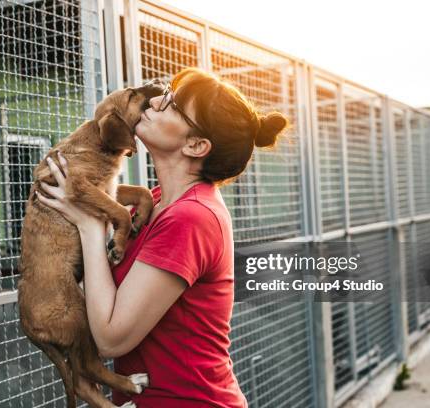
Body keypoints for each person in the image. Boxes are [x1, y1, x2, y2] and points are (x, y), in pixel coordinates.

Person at [36, 67, 288, 407]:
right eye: (167, 95)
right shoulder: (153, 203)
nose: (156, 102)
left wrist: (90, 225)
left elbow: (112, 338)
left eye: (172, 105)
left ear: (196, 145)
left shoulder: (191, 218)